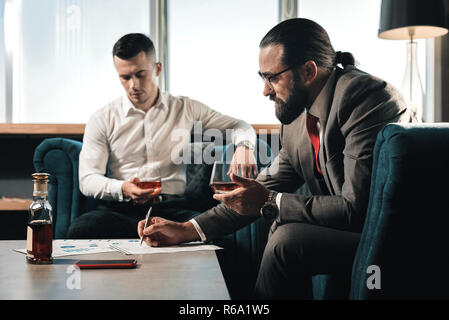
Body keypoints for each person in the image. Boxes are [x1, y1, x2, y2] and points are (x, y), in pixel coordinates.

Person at [137, 18, 417, 299]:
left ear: (308, 71)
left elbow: (356, 209)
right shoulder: (296, 120)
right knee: (283, 226)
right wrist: (186, 230)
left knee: (287, 239)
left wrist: (270, 202)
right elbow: (256, 191)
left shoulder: (366, 98)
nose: (265, 90)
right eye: (263, 78)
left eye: (273, 77)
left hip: (395, 235)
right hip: (352, 229)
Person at [67, 33, 257, 239]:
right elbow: (87, 179)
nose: (133, 85)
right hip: (119, 210)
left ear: (157, 68)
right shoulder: (102, 118)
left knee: (216, 235)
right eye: (125, 77)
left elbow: (239, 125)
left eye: (140, 74)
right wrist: (122, 188)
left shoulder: (185, 108)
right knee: (82, 229)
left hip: (173, 209)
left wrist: (245, 148)